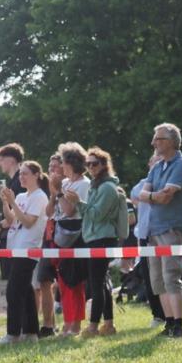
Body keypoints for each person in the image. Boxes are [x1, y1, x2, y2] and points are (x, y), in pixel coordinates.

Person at [138, 123, 182, 339]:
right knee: (157, 281)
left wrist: (151, 196)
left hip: (172, 228)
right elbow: (142, 194)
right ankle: (169, 323)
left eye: (158, 139)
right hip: (153, 230)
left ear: (171, 141)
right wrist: (153, 196)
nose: (154, 142)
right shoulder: (156, 167)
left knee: (171, 276)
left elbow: (165, 197)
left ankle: (179, 326)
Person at [64, 147, 122, 338]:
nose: (90, 167)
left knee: (96, 284)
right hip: (95, 237)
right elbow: (91, 214)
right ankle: (108, 324)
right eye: (88, 164)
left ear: (105, 165)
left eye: (94, 164)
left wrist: (78, 202)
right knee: (101, 282)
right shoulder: (97, 185)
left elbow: (96, 215)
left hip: (102, 238)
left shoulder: (106, 187)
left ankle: (93, 326)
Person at [0, 161, 49, 343]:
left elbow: (28, 222)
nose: (21, 177)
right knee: (26, 291)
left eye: (25, 174)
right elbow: (12, 220)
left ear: (36, 175)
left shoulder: (40, 197)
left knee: (14, 291)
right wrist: (6, 203)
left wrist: (12, 202)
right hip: (15, 247)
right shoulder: (20, 196)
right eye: (20, 174)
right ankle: (31, 332)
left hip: (29, 248)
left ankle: (13, 333)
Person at [55, 143, 90, 336]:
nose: (61, 167)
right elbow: (52, 211)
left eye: (63, 162)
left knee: (73, 282)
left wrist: (59, 191)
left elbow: (70, 210)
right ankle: (68, 322)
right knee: (63, 283)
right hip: (62, 235)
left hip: (76, 236)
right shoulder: (66, 183)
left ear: (71, 163)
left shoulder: (83, 184)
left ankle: (74, 324)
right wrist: (55, 192)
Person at [130, 153, 167, 329]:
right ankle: (158, 314)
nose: (158, 163)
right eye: (154, 161)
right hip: (145, 235)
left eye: (161, 161)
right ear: (149, 163)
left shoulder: (171, 180)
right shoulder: (142, 184)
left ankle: (171, 314)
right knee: (150, 276)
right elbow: (136, 195)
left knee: (168, 275)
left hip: (166, 234)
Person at [37, 154, 65, 338]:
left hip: (65, 237)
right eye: (50, 166)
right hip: (49, 236)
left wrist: (59, 191)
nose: (52, 170)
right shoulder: (48, 187)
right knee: (44, 280)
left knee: (65, 281)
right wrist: (53, 193)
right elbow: (48, 212)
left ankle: (70, 322)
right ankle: (48, 325)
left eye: (56, 166)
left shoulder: (71, 183)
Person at [0, 143, 25, 281]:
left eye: (1, 160)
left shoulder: (20, 182)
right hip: (12, 238)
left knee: (17, 287)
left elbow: (18, 214)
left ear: (12, 160)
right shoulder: (12, 182)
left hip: (18, 239)